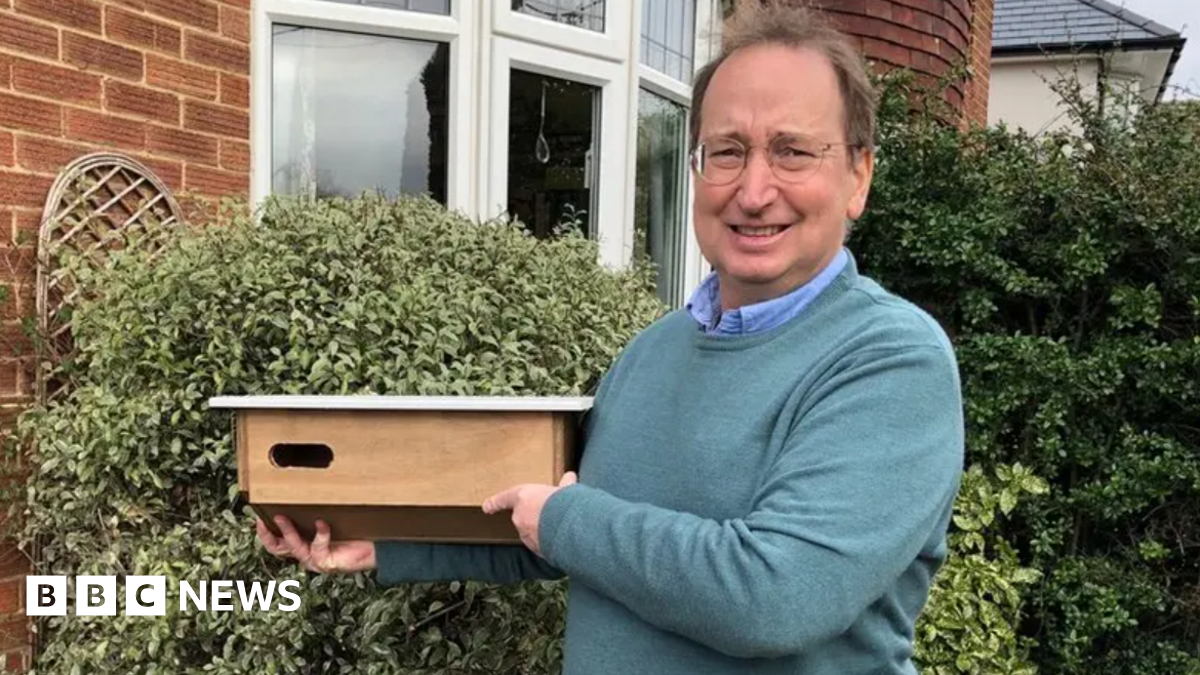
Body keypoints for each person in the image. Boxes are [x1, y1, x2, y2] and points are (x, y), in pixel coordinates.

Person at [257, 2, 965, 673]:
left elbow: (774, 594)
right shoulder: (652, 352)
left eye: (792, 152)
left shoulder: (890, 362)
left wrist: (567, 518)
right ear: (695, 171)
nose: (753, 189)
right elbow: (561, 533)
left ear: (857, 176)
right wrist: (382, 543)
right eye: (725, 151)